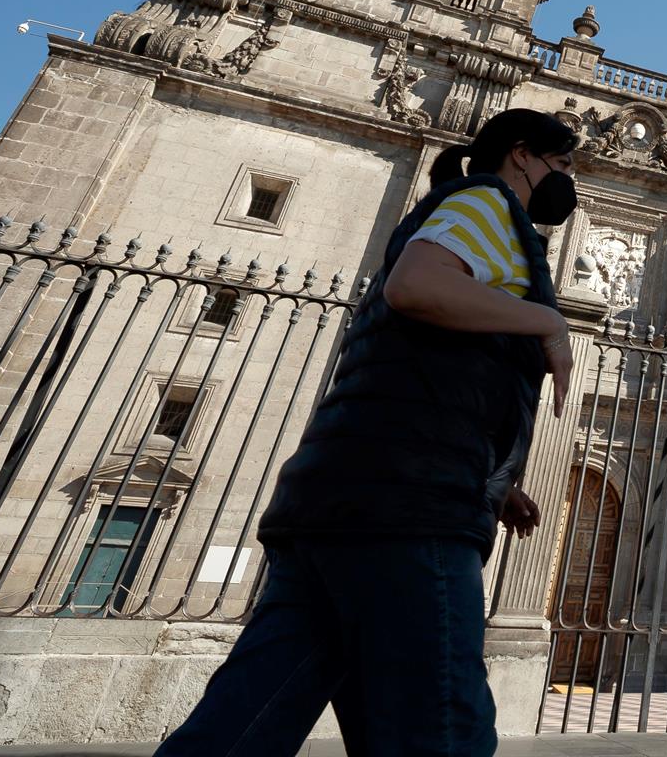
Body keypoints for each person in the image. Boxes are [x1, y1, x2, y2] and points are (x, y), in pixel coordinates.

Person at [156, 108, 579, 756]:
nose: (567, 179)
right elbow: (417, 287)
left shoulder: (464, 215)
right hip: (408, 511)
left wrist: (498, 482)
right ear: (522, 155)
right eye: (563, 163)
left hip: (336, 502)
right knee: (443, 731)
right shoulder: (487, 204)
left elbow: (427, 368)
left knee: (239, 728)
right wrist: (546, 322)